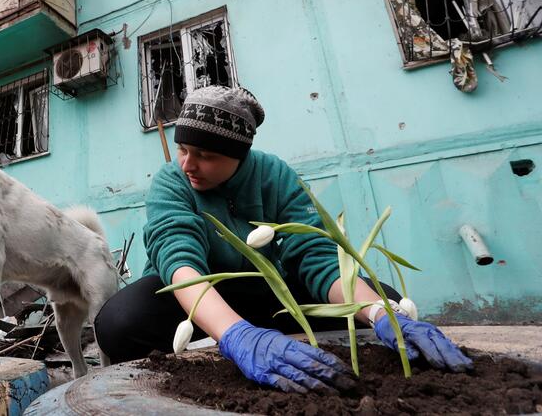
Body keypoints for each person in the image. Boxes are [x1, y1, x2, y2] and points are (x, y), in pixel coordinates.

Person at [94, 85, 472, 393]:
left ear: (240, 155)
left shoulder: (275, 175)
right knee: (119, 322)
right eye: (183, 150)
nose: (188, 165)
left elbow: (315, 256)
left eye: (205, 155)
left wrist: (377, 313)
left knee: (384, 299)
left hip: (268, 293)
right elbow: (181, 263)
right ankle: (220, 347)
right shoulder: (171, 181)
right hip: (190, 296)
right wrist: (237, 335)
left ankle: (288, 346)